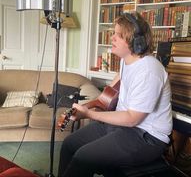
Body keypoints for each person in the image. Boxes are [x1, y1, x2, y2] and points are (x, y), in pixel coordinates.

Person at [58, 12, 173, 177]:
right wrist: (83, 111)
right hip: (122, 126)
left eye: (118, 35)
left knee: (83, 157)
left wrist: (90, 114)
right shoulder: (125, 62)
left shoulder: (149, 70)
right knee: (69, 144)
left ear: (136, 42)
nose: (112, 38)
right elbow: (106, 97)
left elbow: (133, 118)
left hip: (146, 137)